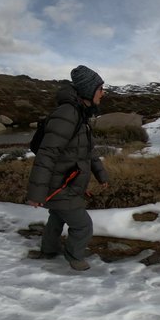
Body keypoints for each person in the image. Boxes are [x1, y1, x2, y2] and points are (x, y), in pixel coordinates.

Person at [25, 66, 110, 271]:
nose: (103, 93)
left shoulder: (80, 113)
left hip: (68, 182)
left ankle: (49, 251)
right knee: (83, 226)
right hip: (62, 185)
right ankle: (74, 257)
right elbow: (47, 154)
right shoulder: (68, 114)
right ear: (88, 90)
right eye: (100, 89)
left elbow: (88, 151)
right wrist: (36, 194)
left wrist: (101, 175)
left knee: (56, 218)